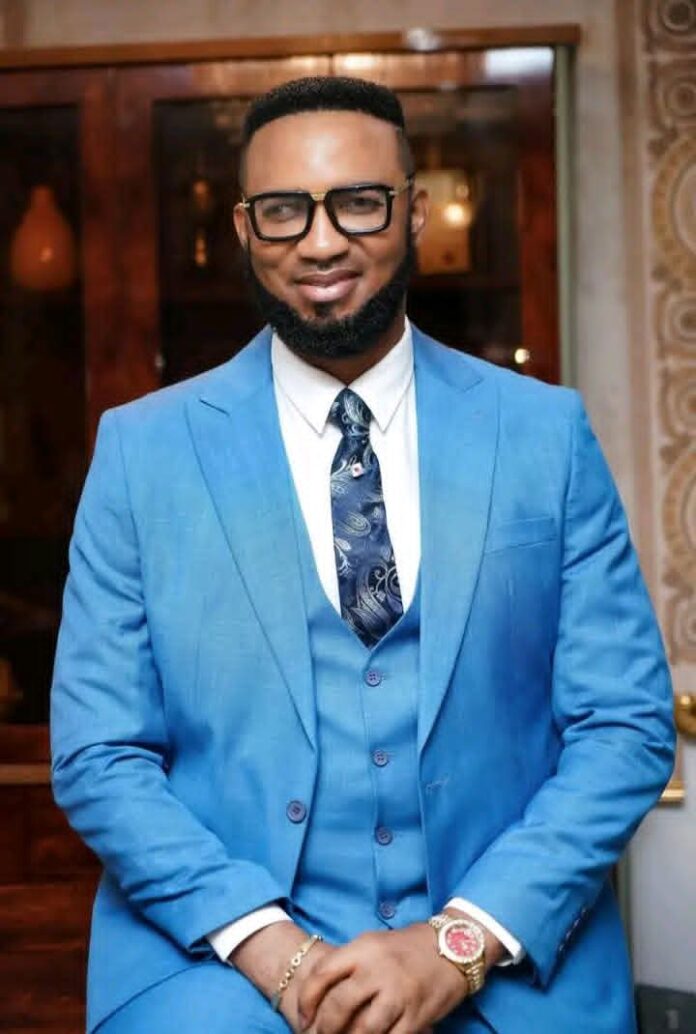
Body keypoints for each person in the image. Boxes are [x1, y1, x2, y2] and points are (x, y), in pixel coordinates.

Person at [50, 76, 675, 1034]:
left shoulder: (544, 434)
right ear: (246, 227)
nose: (321, 241)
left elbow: (624, 725)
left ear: (414, 210)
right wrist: (276, 952)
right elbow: (99, 752)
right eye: (284, 210)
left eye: (358, 202)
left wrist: (459, 942)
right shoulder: (143, 451)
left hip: (505, 968)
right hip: (219, 968)